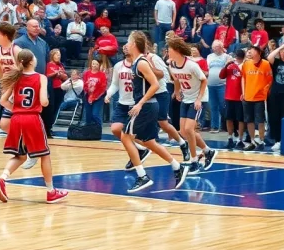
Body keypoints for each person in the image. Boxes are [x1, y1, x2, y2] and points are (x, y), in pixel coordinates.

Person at [0, 49, 69, 204]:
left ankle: (2, 178)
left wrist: (18, 110)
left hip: (17, 118)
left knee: (20, 155)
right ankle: (51, 191)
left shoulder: (16, 77)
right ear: (32, 61)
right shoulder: (41, 77)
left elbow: (3, 101)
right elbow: (44, 102)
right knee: (45, 155)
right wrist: (39, 102)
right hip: (32, 118)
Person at [123, 32, 190, 192]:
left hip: (146, 106)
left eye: (128, 41)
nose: (126, 44)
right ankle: (177, 167)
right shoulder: (136, 62)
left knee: (125, 137)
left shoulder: (141, 63)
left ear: (134, 44)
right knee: (148, 142)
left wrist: (140, 103)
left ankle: (142, 176)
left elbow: (155, 84)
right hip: (148, 106)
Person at [167, 36, 218, 175]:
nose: (167, 51)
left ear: (176, 50)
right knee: (183, 132)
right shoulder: (171, 64)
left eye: (169, 49)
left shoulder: (191, 65)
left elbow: (204, 81)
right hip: (186, 98)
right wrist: (177, 91)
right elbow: (176, 79)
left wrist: (199, 99)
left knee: (189, 129)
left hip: (198, 98)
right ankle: (208, 151)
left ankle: (194, 161)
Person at [241, 45, 273, 151]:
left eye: (252, 51)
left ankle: (261, 140)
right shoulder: (246, 64)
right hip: (248, 96)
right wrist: (243, 92)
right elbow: (243, 78)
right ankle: (252, 141)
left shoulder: (266, 64)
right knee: (249, 120)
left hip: (259, 97)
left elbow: (270, 80)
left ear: (258, 53)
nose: (250, 52)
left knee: (260, 120)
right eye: (249, 51)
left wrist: (264, 91)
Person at [220, 49, 246, 150]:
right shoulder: (230, 65)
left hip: (240, 96)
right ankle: (230, 138)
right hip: (229, 96)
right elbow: (221, 75)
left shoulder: (245, 66)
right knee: (229, 118)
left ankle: (240, 140)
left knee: (240, 119)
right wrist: (226, 65)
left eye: (238, 56)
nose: (236, 57)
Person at [206, 40, 229, 133]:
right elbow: (207, 68)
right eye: (213, 47)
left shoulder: (226, 56)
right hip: (210, 85)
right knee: (213, 106)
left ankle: (225, 125)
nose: (214, 48)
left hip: (222, 84)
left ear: (221, 47)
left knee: (223, 106)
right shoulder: (209, 56)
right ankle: (215, 126)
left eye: (217, 46)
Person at [82, 59, 108, 126]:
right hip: (88, 96)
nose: (95, 65)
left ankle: (99, 128)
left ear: (99, 66)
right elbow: (84, 84)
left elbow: (103, 86)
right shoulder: (86, 73)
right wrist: (88, 89)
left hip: (98, 97)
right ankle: (88, 130)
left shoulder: (102, 75)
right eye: (93, 63)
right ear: (91, 64)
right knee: (88, 115)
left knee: (95, 114)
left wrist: (96, 95)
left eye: (96, 64)